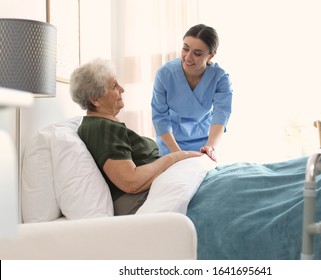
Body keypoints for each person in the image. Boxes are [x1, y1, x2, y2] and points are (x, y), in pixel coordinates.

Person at [69, 58, 202, 215]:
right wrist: (177, 157)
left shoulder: (102, 124)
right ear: (95, 100)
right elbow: (130, 181)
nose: (122, 89)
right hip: (140, 199)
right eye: (114, 86)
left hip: (156, 188)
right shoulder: (101, 128)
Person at [151, 24, 233, 162]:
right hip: (171, 142)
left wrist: (210, 146)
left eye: (197, 53)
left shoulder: (221, 78)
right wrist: (178, 154)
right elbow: (160, 118)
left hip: (205, 141)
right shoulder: (165, 74)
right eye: (185, 49)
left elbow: (221, 115)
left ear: (211, 55)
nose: (188, 58)